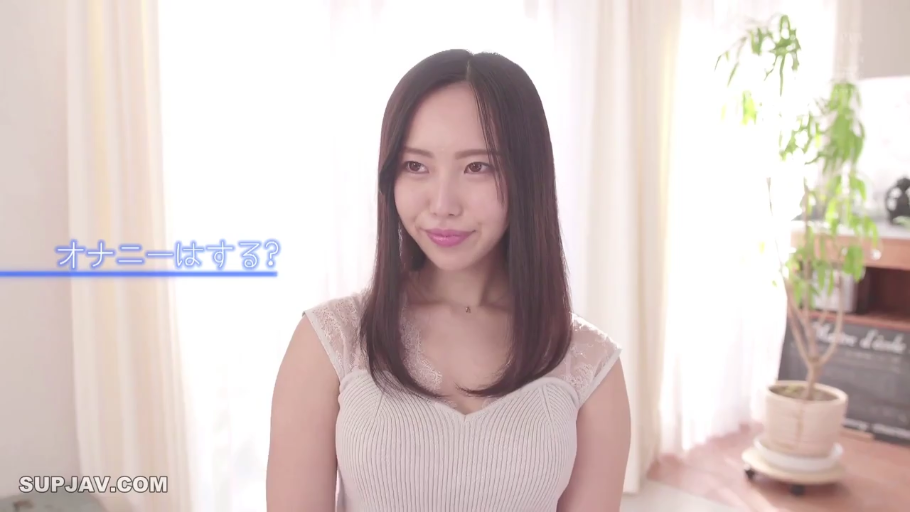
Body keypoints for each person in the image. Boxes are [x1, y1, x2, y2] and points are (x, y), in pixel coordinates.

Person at [267, 49, 631, 512]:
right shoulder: (331, 341)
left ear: (527, 177)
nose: (442, 204)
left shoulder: (588, 362)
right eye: (415, 166)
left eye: (477, 167)